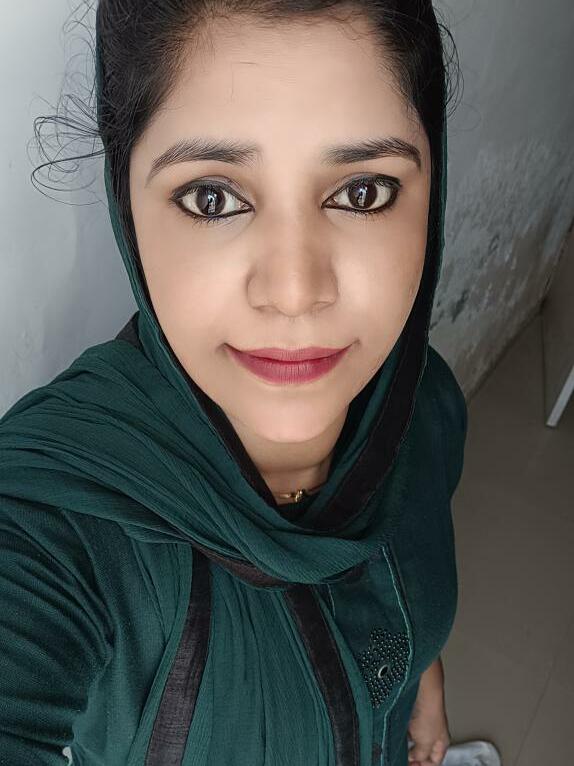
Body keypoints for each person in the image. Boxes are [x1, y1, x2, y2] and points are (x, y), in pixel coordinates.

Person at [0, 1, 469, 764]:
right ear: (128, 204)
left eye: (363, 192)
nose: (294, 292)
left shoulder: (427, 407)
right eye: (212, 197)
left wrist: (421, 679)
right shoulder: (52, 522)